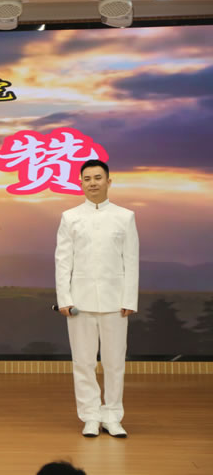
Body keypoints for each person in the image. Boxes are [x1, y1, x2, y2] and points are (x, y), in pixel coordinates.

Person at [55, 159, 138, 438]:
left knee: (115, 363)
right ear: (80, 183)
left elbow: (131, 260)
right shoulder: (70, 217)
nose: (93, 183)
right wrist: (64, 298)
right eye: (87, 178)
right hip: (79, 302)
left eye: (98, 177)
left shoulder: (125, 216)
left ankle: (113, 416)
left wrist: (129, 299)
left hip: (116, 302)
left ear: (108, 181)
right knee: (83, 362)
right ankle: (90, 416)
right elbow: (63, 261)